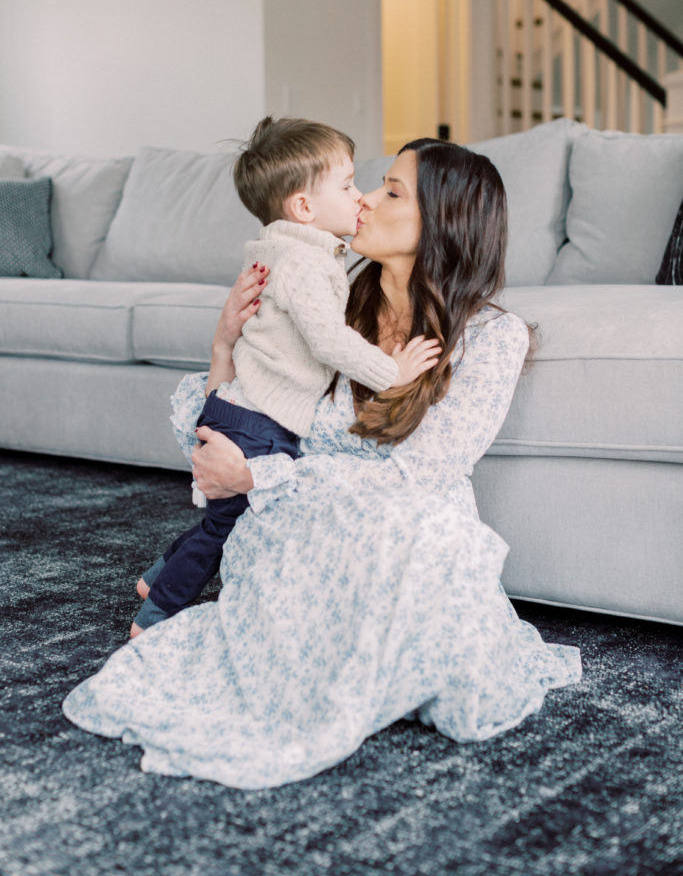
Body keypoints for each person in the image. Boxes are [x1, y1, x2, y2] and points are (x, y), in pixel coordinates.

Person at [63, 136, 581, 790]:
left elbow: (419, 476)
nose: (363, 199)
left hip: (403, 540)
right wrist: (225, 348)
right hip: (300, 533)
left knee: (452, 682)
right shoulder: (326, 303)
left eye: (390, 190)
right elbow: (240, 424)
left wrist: (262, 478)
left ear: (443, 221)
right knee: (263, 671)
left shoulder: (488, 337)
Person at [131, 117, 440, 636]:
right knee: (226, 529)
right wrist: (394, 371)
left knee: (221, 517)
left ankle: (154, 576)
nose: (360, 197)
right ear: (303, 207)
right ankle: (158, 611)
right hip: (258, 420)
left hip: (241, 406)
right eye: (347, 186)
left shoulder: (291, 251)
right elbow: (329, 341)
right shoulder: (306, 264)